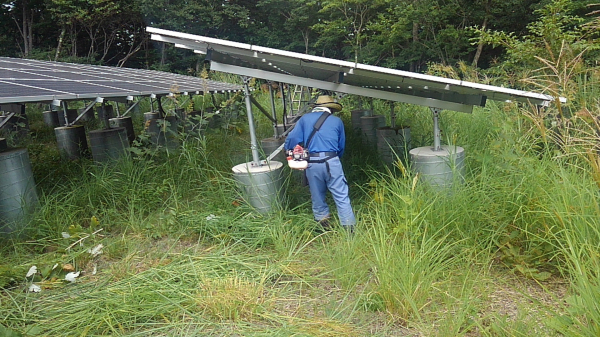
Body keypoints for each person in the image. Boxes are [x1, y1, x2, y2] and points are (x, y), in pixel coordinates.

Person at [284, 95, 356, 231]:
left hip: (312, 162)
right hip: (332, 160)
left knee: (316, 194)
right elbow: (341, 146)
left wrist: (288, 151)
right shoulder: (337, 121)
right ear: (331, 109)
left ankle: (323, 226)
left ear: (316, 107)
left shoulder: (304, 119)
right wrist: (335, 158)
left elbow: (293, 139)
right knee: (341, 194)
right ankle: (349, 229)